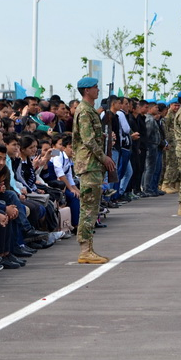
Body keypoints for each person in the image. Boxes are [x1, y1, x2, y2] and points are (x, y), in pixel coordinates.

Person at [71, 77, 116, 264]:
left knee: (92, 207)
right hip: (89, 165)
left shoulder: (89, 111)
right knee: (88, 208)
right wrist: (103, 157)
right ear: (86, 90)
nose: (98, 90)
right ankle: (85, 249)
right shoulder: (84, 111)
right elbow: (88, 140)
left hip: (92, 164)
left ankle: (88, 248)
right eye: (95, 87)